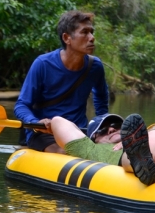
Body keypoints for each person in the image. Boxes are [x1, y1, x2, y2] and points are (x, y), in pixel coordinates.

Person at [14, 10, 109, 154]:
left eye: (91, 32)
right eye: (84, 32)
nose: (91, 38)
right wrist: (35, 121)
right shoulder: (42, 64)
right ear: (67, 38)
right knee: (67, 152)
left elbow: (101, 99)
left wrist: (102, 127)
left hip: (78, 132)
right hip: (44, 134)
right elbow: (21, 105)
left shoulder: (95, 66)